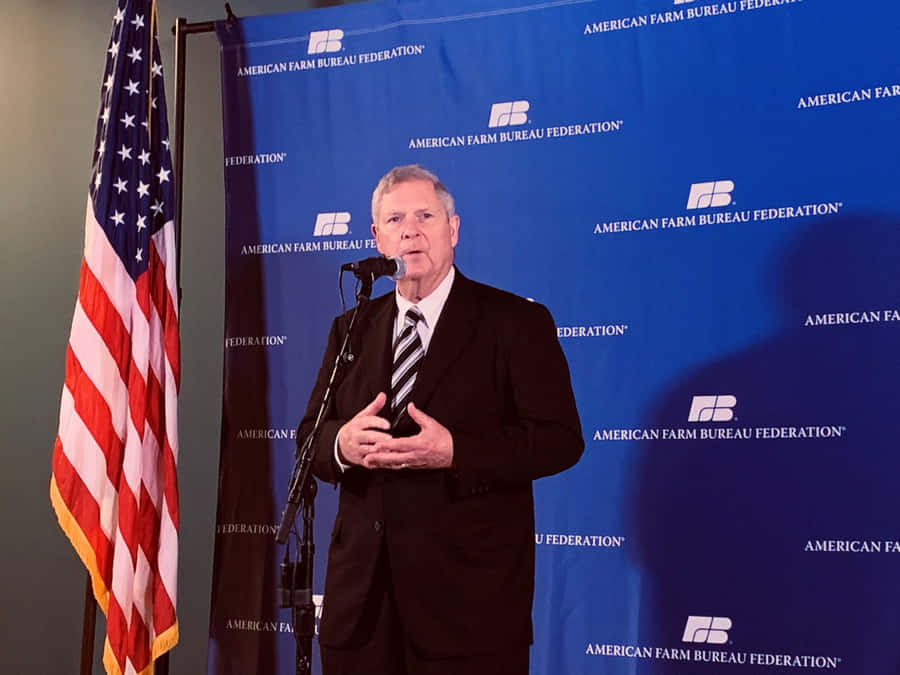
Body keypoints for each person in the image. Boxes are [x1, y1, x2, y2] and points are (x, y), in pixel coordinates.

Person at [299, 165, 583, 675]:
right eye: (395, 219)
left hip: (469, 612)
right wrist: (342, 443)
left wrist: (457, 452)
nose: (410, 230)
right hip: (361, 611)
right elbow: (309, 443)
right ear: (377, 237)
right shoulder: (352, 327)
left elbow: (561, 441)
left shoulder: (514, 323)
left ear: (452, 229)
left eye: (425, 215)